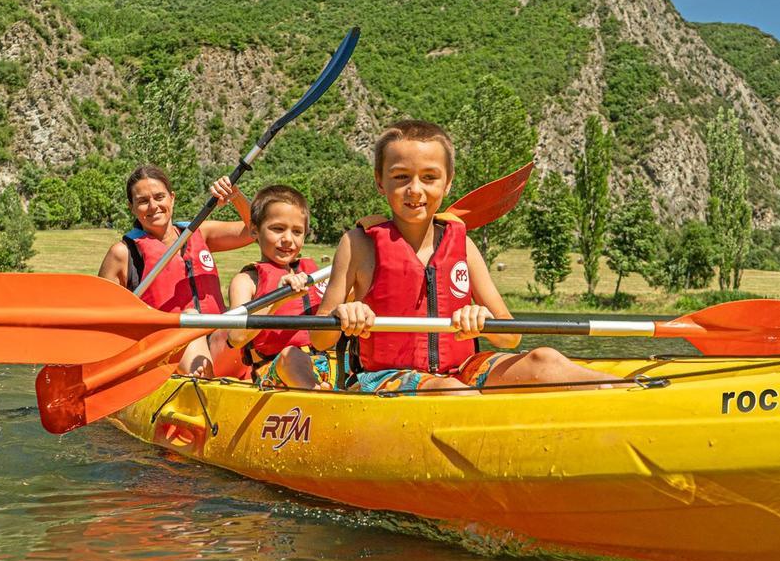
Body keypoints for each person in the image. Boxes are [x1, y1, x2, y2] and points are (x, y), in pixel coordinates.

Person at [309, 120, 624, 395]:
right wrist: (344, 314)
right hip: (383, 377)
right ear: (380, 181)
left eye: (429, 177)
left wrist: (482, 322)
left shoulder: (464, 247)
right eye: (401, 177)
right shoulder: (357, 245)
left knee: (546, 359)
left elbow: (509, 338)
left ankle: (629, 396)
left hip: (462, 368)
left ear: (448, 183)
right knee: (449, 390)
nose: (415, 189)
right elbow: (320, 339)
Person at [98, 165, 252, 376]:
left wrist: (235, 195)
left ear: (172, 198)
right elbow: (103, 322)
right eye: (143, 201)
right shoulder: (122, 253)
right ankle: (203, 389)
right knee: (190, 317)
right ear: (131, 207)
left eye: (159, 197)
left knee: (243, 324)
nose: (153, 206)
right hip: (165, 356)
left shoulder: (199, 232)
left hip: (216, 345)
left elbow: (254, 231)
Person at [226, 185, 331, 390]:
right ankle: (320, 398)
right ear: (254, 230)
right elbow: (235, 338)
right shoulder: (246, 280)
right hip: (275, 371)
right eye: (278, 229)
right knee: (289, 356)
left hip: (323, 365)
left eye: (297, 232)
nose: (288, 239)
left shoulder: (313, 274)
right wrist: (279, 299)